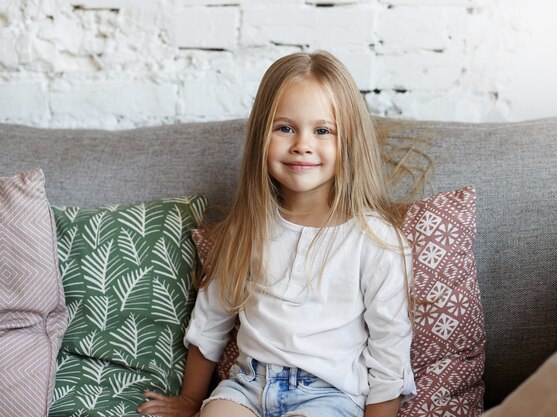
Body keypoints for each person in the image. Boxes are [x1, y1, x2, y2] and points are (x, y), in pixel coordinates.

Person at [137, 50, 416, 417]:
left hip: (328, 397)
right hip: (247, 387)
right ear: (261, 137)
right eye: (285, 128)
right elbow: (211, 320)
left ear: (348, 141)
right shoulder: (248, 227)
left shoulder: (375, 241)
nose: (302, 143)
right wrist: (191, 400)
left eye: (322, 130)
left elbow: (388, 353)